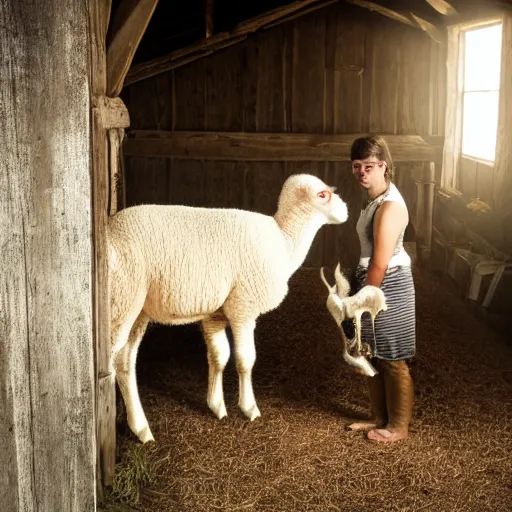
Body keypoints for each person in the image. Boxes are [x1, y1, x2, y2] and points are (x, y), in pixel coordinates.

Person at [347, 134, 416, 443]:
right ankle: (379, 418)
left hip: (389, 283)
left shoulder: (389, 206)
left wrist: (361, 301)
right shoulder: (375, 199)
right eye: (357, 166)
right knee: (371, 353)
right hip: (373, 279)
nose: (363, 173)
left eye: (369, 166)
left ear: (383, 166)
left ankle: (398, 427)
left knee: (393, 358)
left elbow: (379, 262)